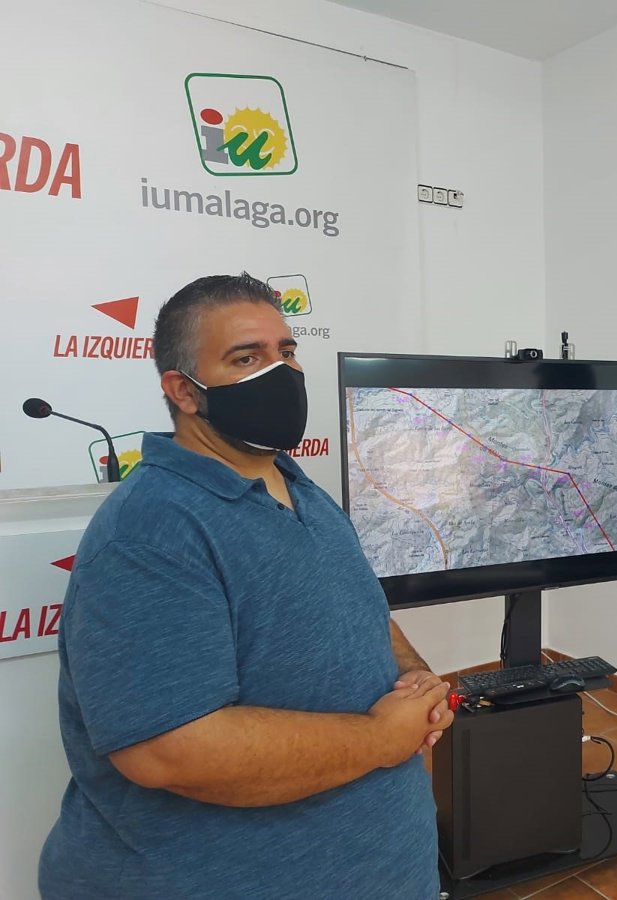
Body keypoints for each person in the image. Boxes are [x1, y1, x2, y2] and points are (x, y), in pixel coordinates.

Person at [39, 273, 452, 899]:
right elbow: (168, 750)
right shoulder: (149, 532)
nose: (280, 372)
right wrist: (380, 739)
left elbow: (354, 605)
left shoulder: (297, 485)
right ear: (184, 390)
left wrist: (415, 677)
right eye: (246, 358)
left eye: (286, 351)